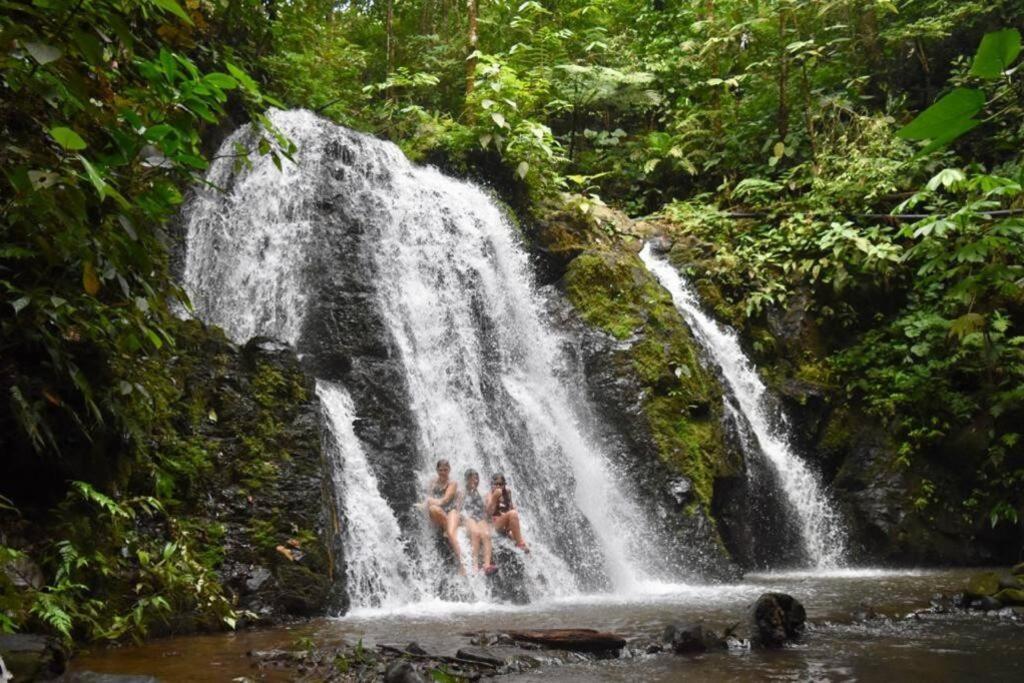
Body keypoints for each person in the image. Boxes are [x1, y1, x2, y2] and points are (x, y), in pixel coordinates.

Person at [425, 459, 464, 574]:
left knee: (451, 533)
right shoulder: (432, 482)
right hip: (440, 512)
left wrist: (430, 501)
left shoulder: (452, 483)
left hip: (450, 510)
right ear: (437, 470)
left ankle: (462, 564)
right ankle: (445, 528)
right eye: (440, 470)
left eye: (445, 470)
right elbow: (429, 498)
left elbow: (445, 500)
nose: (443, 472)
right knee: (432, 509)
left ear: (449, 470)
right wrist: (425, 503)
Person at [458, 469, 498, 575]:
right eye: (472, 478)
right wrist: (460, 520)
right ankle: (474, 565)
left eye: (476, 478)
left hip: (480, 518)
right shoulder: (462, 492)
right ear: (466, 480)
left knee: (486, 534)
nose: (475, 481)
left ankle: (487, 565)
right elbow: (458, 509)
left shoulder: (481, 493)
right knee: (475, 533)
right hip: (468, 517)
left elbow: (486, 511)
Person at [486, 472, 529, 553]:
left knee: (526, 545)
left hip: (506, 524)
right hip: (496, 523)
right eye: (496, 484)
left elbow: (510, 506)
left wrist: (511, 511)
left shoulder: (508, 492)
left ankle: (523, 547)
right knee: (513, 513)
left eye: (501, 484)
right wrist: (495, 497)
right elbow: (488, 513)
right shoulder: (489, 495)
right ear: (492, 484)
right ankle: (520, 544)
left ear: (504, 485)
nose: (498, 486)